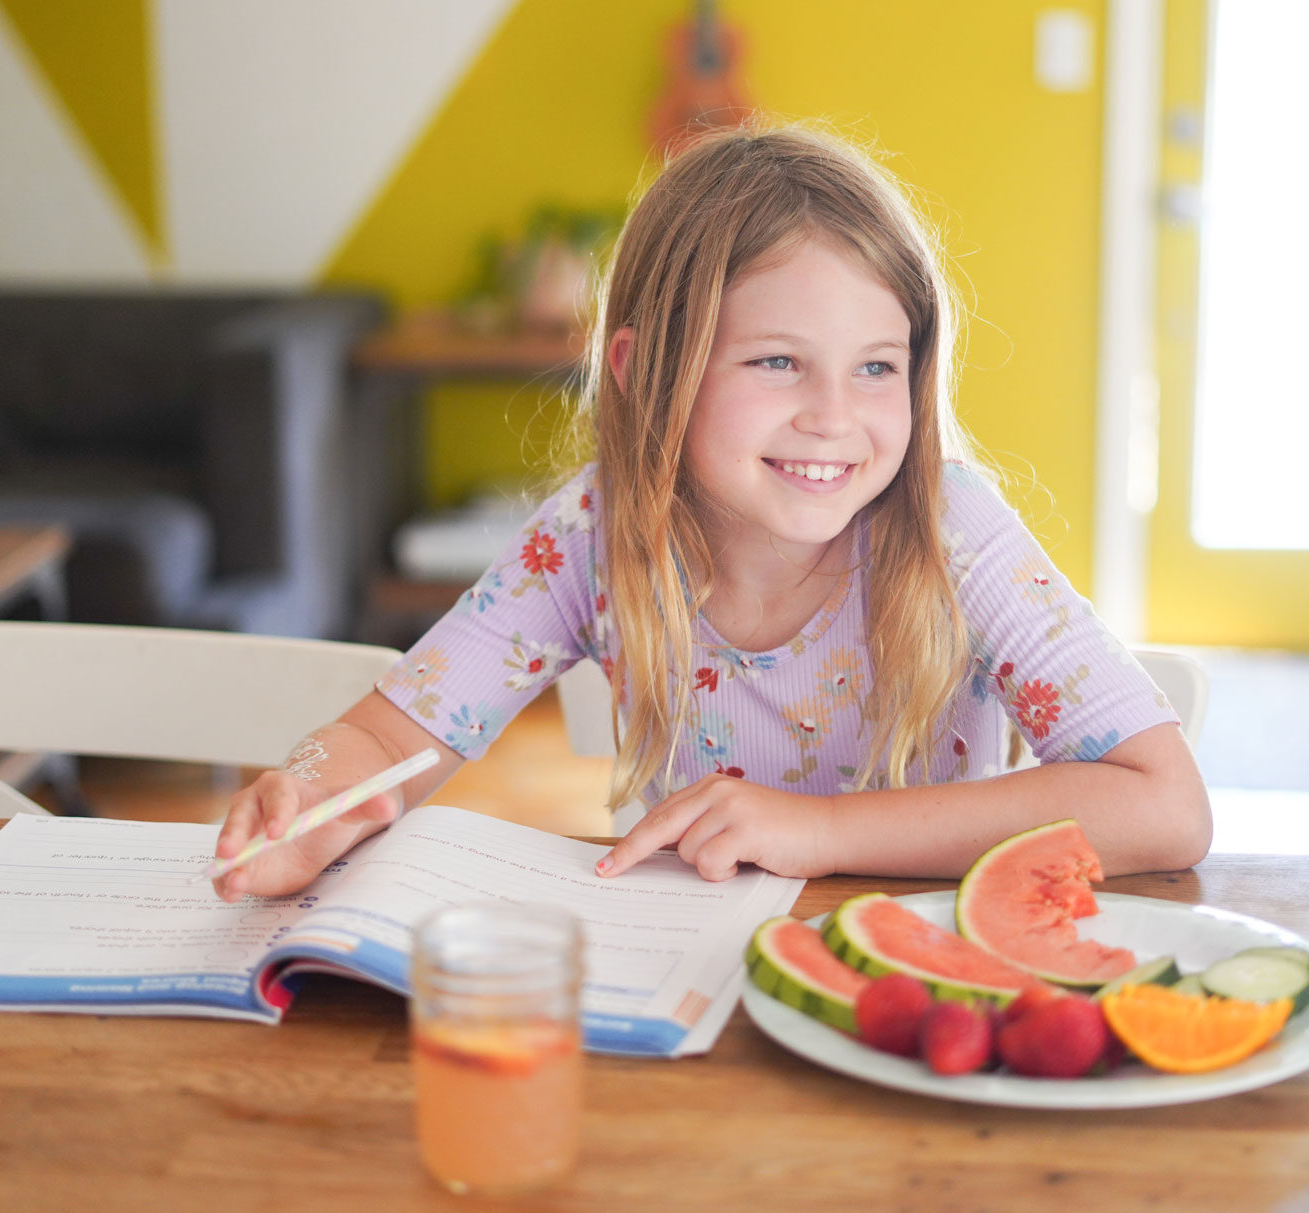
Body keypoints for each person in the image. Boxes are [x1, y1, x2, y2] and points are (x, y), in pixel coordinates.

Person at [212, 123, 1211, 903]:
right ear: (646, 371)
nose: (832, 417)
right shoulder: (591, 534)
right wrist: (307, 800)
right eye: (777, 361)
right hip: (692, 989)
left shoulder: (951, 530)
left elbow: (1164, 806)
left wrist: (814, 833)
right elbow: (391, 744)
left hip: (926, 989)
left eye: (875, 368)